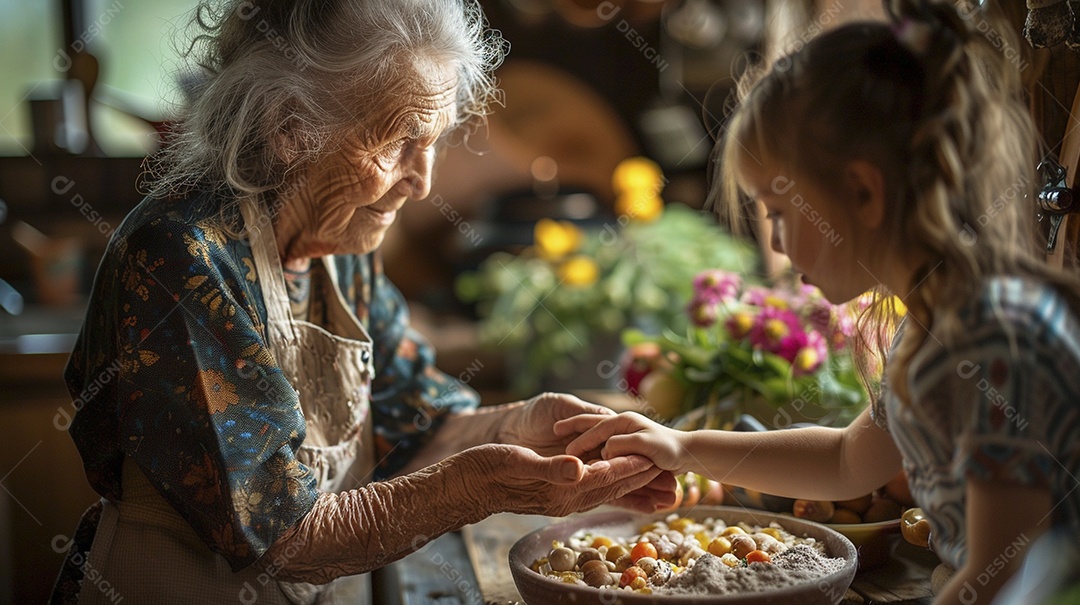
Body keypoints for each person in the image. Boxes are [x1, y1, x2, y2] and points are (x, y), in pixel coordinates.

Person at [51, 1, 676, 603]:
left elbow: (416, 425)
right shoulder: (182, 255)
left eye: (434, 140)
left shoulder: (342, 243)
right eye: (401, 139)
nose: (423, 180)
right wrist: (476, 489)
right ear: (291, 129)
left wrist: (529, 427)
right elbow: (285, 539)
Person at [556, 1, 1080, 603]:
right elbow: (847, 461)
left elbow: (1008, 575)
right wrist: (680, 447)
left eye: (780, 212)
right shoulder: (935, 326)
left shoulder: (988, 339)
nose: (774, 238)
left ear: (862, 191)